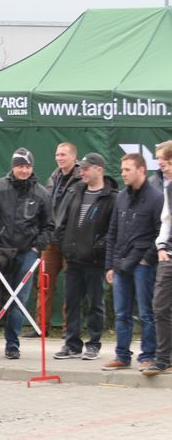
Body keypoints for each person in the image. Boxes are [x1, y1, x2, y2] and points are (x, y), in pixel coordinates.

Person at [0, 147, 53, 359]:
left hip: (26, 254)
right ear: (13, 167)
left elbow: (49, 226)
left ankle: (12, 345)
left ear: (32, 168)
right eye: (19, 166)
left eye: (27, 166)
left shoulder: (42, 194)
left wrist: (37, 248)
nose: (23, 170)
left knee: (18, 300)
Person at [53, 153, 117, 361]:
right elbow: (61, 221)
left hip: (95, 261)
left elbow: (113, 232)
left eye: (87, 168)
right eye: (81, 168)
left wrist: (98, 248)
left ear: (99, 169)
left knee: (95, 304)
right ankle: (71, 344)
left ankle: (93, 344)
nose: (82, 171)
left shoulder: (112, 197)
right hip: (73, 259)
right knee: (71, 302)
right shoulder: (75, 191)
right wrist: (64, 244)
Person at [102, 153, 163, 371]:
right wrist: (110, 265)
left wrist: (147, 259)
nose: (123, 174)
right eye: (122, 169)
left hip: (143, 265)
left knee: (146, 313)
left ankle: (148, 355)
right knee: (121, 313)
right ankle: (121, 356)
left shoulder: (157, 198)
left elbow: (160, 233)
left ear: (142, 170)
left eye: (128, 169)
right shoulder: (120, 197)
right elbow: (112, 232)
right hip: (120, 264)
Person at [26, 142, 80, 338]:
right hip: (51, 240)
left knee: (71, 287)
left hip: (71, 241)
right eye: (57, 154)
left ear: (74, 158)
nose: (59, 158)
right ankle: (41, 327)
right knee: (44, 283)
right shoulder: (53, 177)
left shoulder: (80, 180)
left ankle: (69, 330)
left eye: (63, 154)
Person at [145, 141, 172, 375]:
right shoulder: (168, 187)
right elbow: (166, 220)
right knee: (160, 306)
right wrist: (161, 246)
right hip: (168, 256)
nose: (161, 166)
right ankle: (163, 359)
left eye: (165, 162)